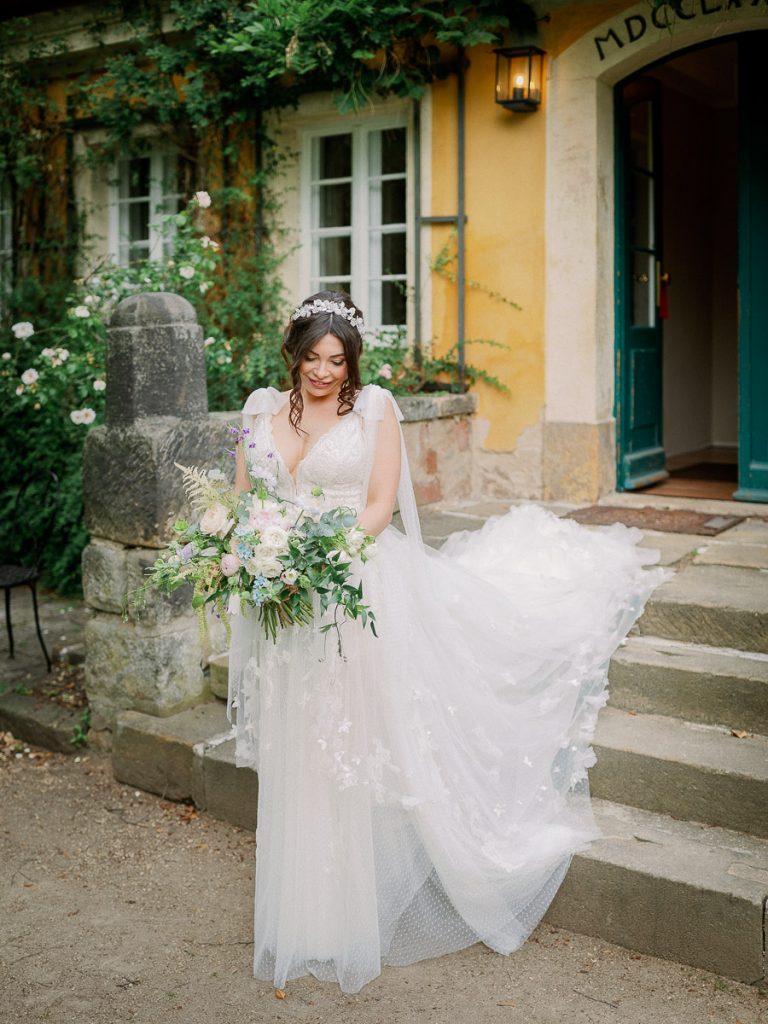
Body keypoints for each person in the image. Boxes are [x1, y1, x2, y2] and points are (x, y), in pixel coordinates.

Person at [227, 290, 667, 996]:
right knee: (298, 748)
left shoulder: (373, 411)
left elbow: (376, 506)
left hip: (349, 589)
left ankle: (348, 914)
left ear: (352, 362)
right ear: (293, 355)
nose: (322, 372)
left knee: (349, 748)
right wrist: (252, 558)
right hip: (283, 601)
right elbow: (247, 503)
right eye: (312, 358)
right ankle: (302, 909)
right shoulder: (256, 412)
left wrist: (321, 561)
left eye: (336, 361)